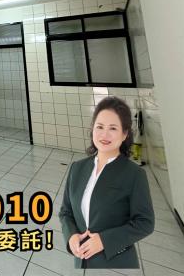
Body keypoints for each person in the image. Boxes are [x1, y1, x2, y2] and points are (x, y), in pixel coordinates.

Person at [59, 96, 154, 269]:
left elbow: (145, 222)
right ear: (92, 129)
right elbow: (66, 212)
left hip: (116, 261)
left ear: (124, 134)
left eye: (113, 128)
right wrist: (71, 236)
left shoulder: (134, 175)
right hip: (81, 260)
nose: (104, 134)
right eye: (100, 127)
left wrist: (104, 241)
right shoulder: (77, 168)